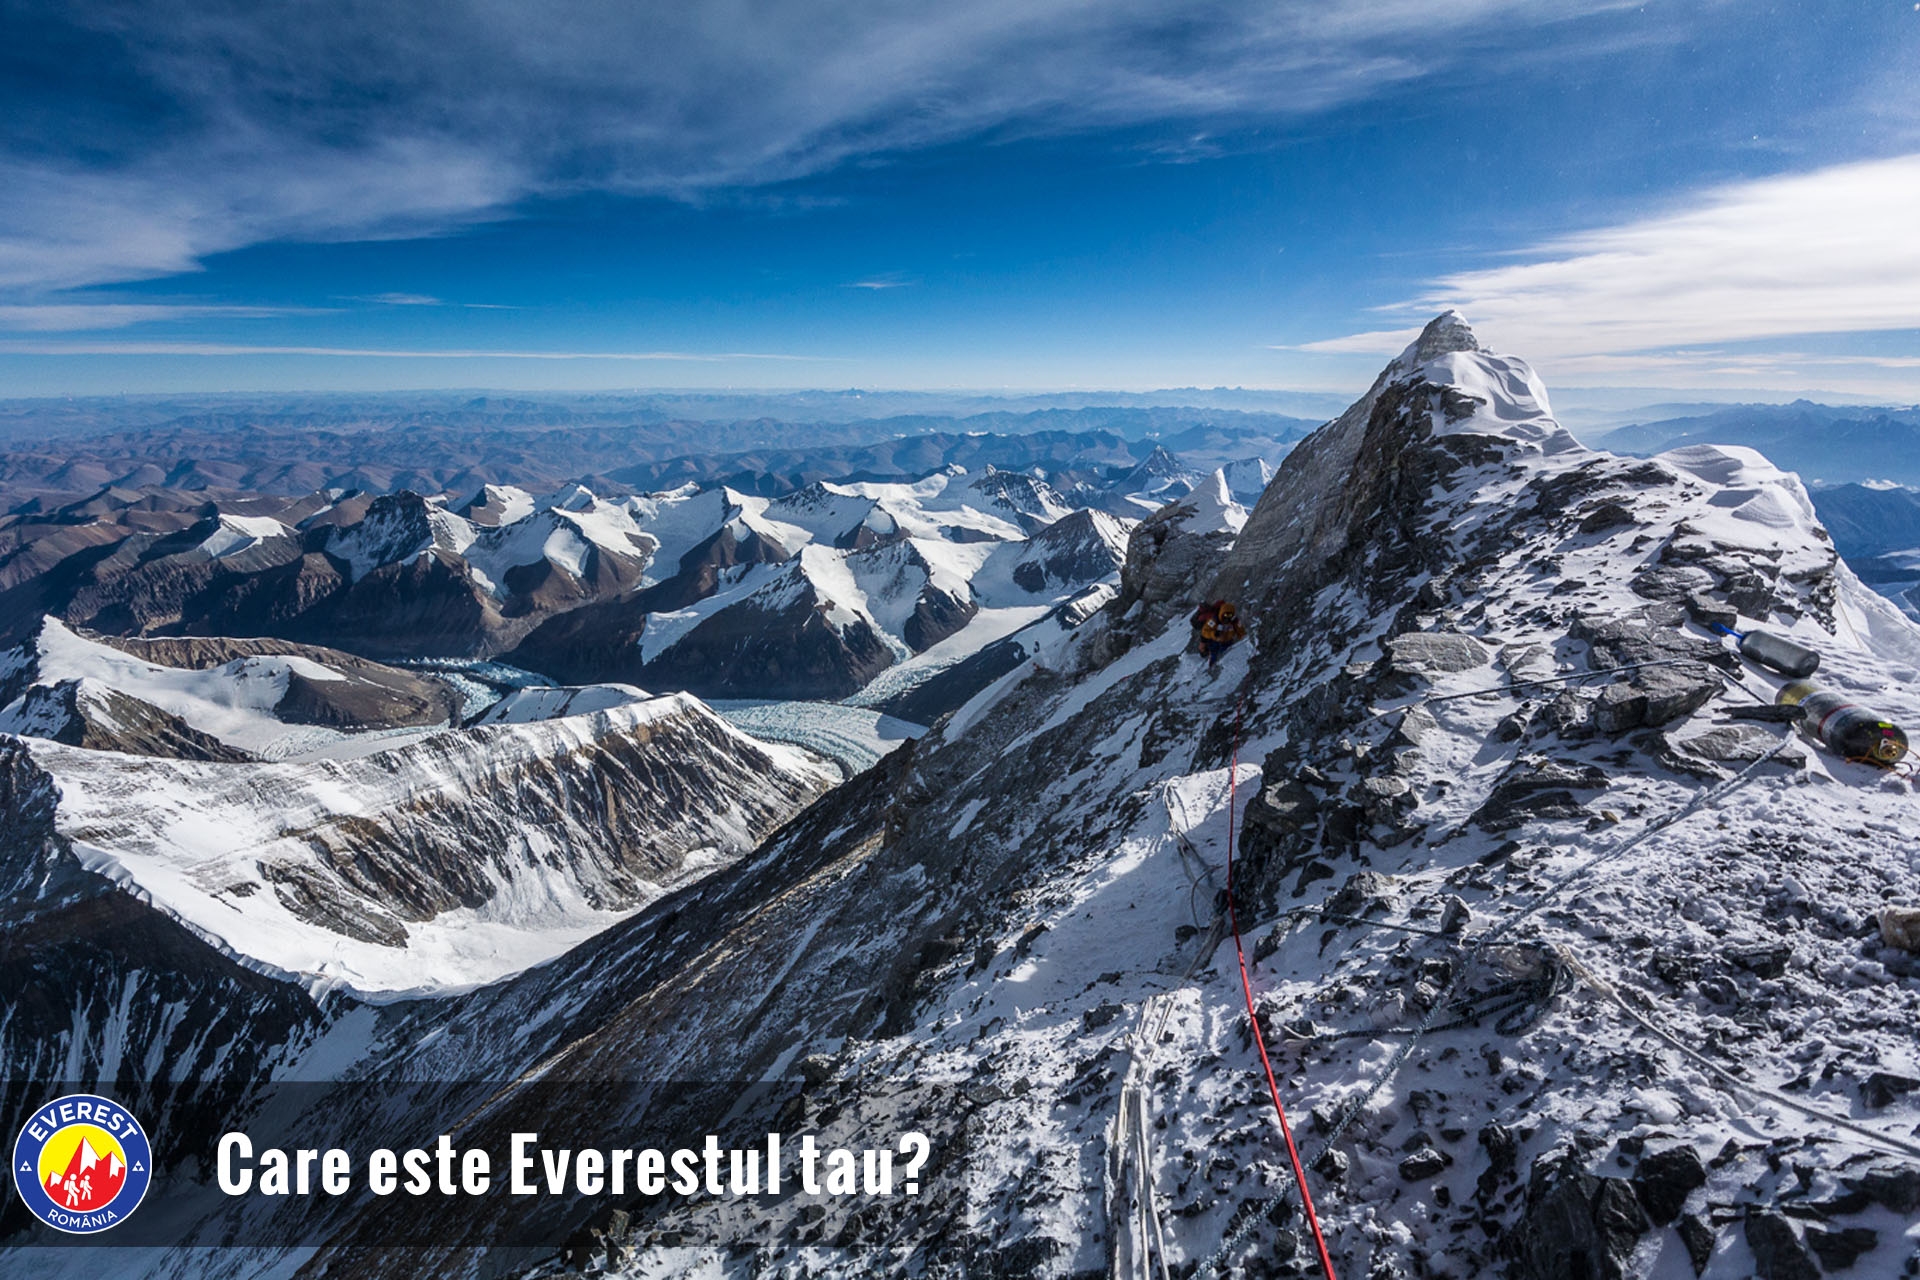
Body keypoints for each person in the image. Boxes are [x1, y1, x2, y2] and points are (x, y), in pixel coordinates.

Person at [1198, 601, 1246, 668]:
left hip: (1228, 643)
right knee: (1214, 657)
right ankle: (1212, 669)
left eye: (1230, 615)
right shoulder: (1214, 620)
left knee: (1227, 658)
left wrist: (1243, 639)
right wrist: (1213, 634)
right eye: (1225, 615)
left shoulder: (1235, 621)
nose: (1227, 618)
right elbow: (1205, 631)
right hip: (1215, 642)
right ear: (1222, 613)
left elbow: (1241, 632)